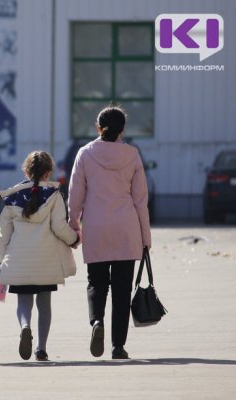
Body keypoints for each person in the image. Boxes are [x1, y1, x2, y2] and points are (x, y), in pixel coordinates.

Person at [67, 106, 152, 360]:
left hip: (96, 227)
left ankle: (96, 322)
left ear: (98, 127)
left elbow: (75, 194)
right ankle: (118, 346)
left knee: (96, 283)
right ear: (122, 130)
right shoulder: (133, 155)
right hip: (127, 229)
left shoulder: (84, 154)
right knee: (122, 290)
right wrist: (145, 238)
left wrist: (73, 224)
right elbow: (140, 200)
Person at [0, 150, 80, 361]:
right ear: (48, 172)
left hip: (19, 261)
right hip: (46, 260)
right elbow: (60, 227)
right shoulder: (54, 195)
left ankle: (25, 326)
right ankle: (41, 348)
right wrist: (74, 239)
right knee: (45, 303)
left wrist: (0, 261)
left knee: (24, 301)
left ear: (25, 171)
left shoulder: (11, 197)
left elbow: (4, 235)